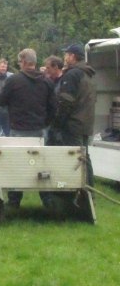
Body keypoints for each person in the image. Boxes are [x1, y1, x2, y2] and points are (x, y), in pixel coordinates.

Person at [0, 48, 57, 208]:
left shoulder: (13, 81)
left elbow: (1, 101)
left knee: (17, 165)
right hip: (40, 129)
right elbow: (53, 108)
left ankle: (14, 200)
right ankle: (47, 200)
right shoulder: (47, 81)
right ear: (34, 62)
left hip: (18, 129)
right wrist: (45, 122)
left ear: (23, 62)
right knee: (42, 165)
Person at [54, 44, 96, 188]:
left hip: (73, 124)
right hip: (86, 123)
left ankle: (79, 194)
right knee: (84, 158)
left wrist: (57, 123)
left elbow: (66, 102)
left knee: (75, 159)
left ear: (72, 56)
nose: (64, 57)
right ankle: (89, 191)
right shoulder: (88, 73)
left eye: (66, 54)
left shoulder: (73, 74)